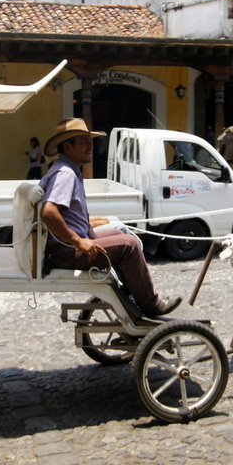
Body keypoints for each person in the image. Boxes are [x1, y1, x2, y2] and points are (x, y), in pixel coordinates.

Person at [39, 118, 181, 318]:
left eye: (90, 141)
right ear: (67, 146)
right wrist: (79, 241)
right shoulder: (65, 173)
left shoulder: (68, 169)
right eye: (83, 142)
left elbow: (66, 213)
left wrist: (86, 227)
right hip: (66, 252)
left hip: (67, 247)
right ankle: (151, 305)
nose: (90, 146)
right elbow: (48, 212)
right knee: (129, 244)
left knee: (116, 231)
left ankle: (130, 292)